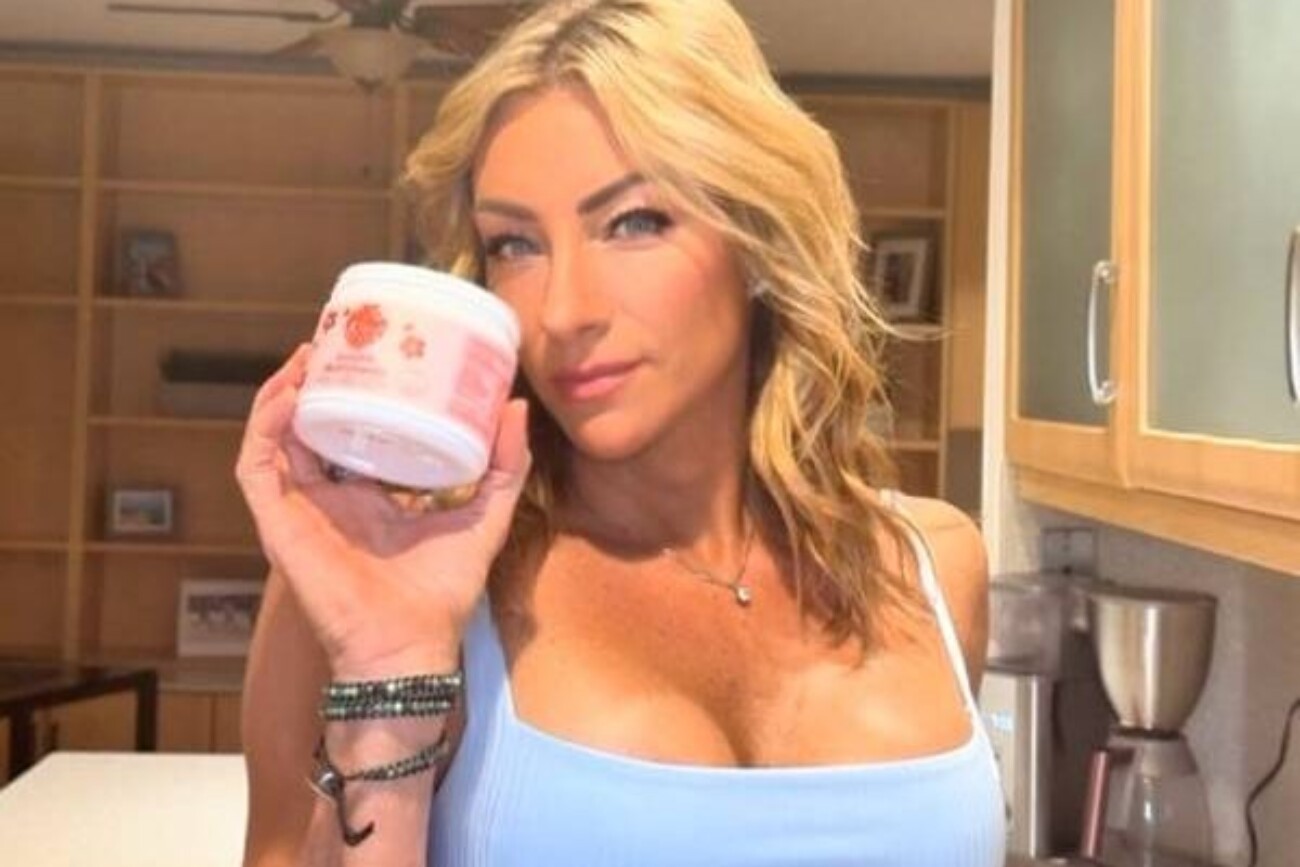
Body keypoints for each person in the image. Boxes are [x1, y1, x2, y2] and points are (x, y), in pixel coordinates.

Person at [236, 0, 1005, 864]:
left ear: (757, 240)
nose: (563, 312)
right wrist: (389, 686)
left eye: (634, 223)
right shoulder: (395, 574)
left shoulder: (937, 568)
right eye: (515, 244)